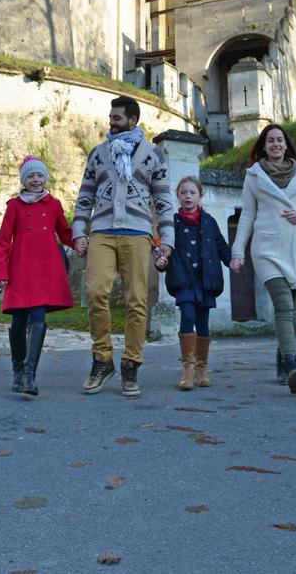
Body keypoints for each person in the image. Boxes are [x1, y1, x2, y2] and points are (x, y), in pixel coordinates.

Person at [72, 95, 176, 399]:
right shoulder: (98, 153)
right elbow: (85, 196)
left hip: (139, 232)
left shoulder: (153, 155)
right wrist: (80, 231)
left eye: (116, 118)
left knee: (136, 300)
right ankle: (102, 360)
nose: (110, 122)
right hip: (102, 231)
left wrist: (166, 241)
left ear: (132, 120)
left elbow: (164, 201)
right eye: (110, 117)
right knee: (95, 292)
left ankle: (131, 364)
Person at [230, 123, 296, 395]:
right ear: (263, 147)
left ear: (286, 144)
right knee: (283, 305)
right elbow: (247, 216)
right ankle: (293, 365)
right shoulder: (254, 176)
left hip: (295, 248)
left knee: (289, 311)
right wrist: (237, 250)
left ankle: (282, 362)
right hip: (266, 248)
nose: (276, 144)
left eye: (280, 140)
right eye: (270, 141)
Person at [0, 156, 74, 397]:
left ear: (45, 178)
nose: (36, 180)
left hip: (45, 271)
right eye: (30, 176)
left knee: (38, 317)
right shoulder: (14, 206)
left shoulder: (54, 204)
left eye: (39, 175)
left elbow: (65, 232)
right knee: (18, 322)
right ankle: (17, 371)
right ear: (23, 181)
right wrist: (1, 273)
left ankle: (30, 375)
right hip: (20, 271)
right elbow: (2, 243)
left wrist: (82, 242)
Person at [164, 175, 232, 390]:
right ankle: (188, 370)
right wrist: (160, 257)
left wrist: (233, 261)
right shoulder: (172, 222)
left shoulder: (209, 221)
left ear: (200, 196)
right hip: (183, 280)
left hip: (205, 281)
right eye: (183, 192)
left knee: (202, 322)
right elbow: (163, 246)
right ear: (178, 196)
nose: (188, 196)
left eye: (192, 192)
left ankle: (202, 368)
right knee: (188, 315)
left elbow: (221, 246)